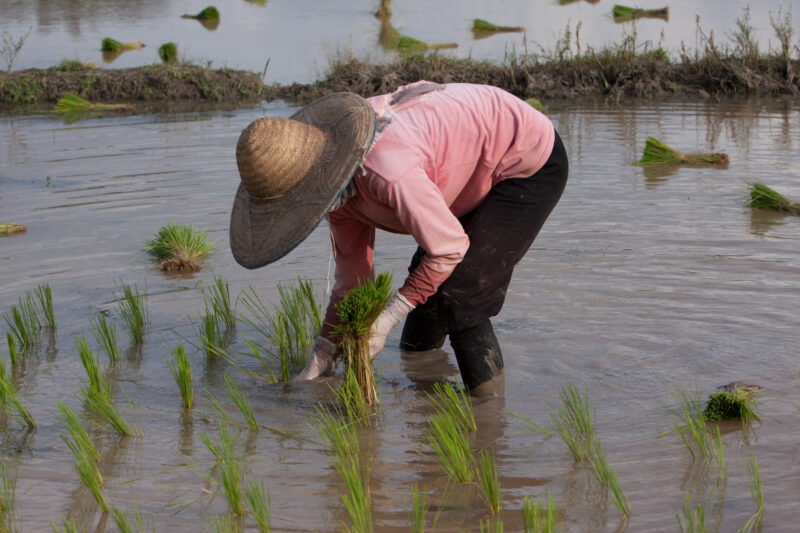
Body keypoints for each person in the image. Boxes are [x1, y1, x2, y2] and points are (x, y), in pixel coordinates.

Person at [230, 81, 568, 396]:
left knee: (461, 292)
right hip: (463, 169)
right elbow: (353, 282)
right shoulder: (336, 192)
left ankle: (487, 418)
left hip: (524, 159)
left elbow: (448, 250)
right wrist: (323, 352)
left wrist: (388, 319)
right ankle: (422, 381)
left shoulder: (388, 172)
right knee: (428, 287)